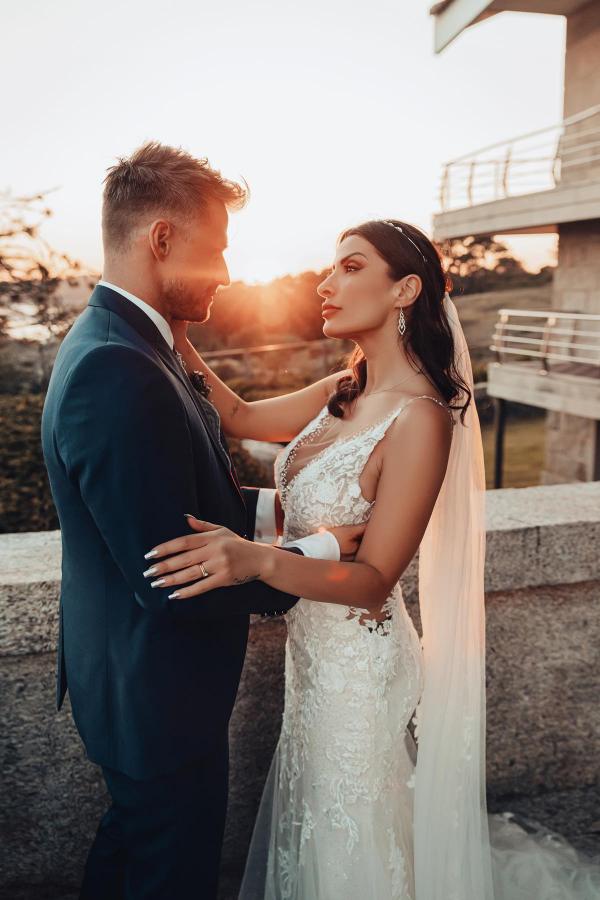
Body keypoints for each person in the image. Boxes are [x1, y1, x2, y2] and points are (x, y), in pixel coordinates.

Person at [149, 219, 600, 899]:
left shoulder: (422, 418)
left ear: (405, 290)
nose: (325, 285)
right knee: (321, 814)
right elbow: (238, 415)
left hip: (361, 663)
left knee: (354, 820)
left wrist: (256, 561)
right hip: (315, 654)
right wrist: (171, 329)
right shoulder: (342, 389)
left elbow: (373, 580)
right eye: (330, 269)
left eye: (351, 268)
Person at [40, 141, 364, 900]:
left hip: (134, 683)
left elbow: (174, 493)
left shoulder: (129, 343)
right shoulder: (118, 367)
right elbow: (173, 573)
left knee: (132, 852)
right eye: (216, 249)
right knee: (169, 875)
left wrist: (276, 509)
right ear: (162, 240)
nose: (226, 272)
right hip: (154, 695)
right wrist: (315, 549)